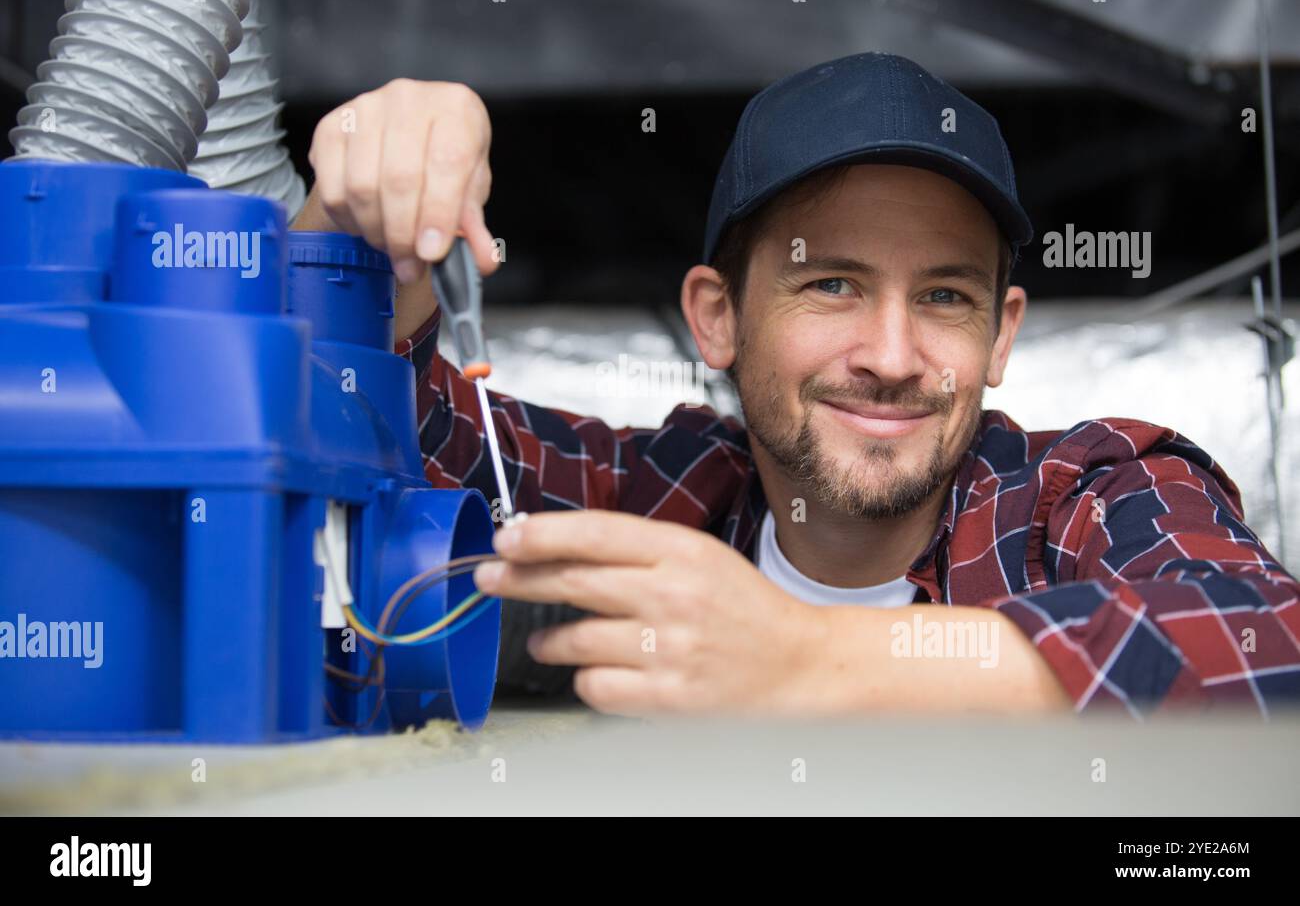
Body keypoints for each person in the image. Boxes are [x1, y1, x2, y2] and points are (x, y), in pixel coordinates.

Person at [293, 52, 1300, 718]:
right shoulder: (680, 495)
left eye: (946, 296)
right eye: (831, 284)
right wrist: (364, 225)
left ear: (1001, 334)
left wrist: (807, 655)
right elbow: (381, 425)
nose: (894, 355)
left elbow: (1268, 649)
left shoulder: (1090, 491)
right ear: (716, 316)